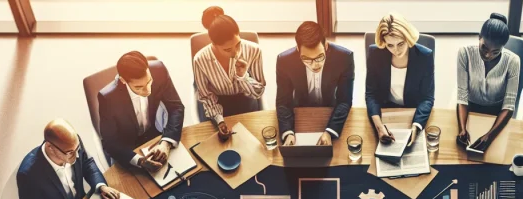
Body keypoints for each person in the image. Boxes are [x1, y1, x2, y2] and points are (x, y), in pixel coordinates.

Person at [16, 119, 123, 199]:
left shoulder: (73, 144)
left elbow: (87, 163)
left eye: (77, 150)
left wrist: (101, 186)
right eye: (70, 153)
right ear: (50, 147)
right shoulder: (28, 176)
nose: (77, 155)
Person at [97, 51, 185, 171]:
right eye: (139, 87)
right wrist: (140, 161)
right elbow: (110, 142)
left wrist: (166, 142)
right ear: (123, 80)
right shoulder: (107, 98)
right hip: (127, 149)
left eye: (149, 82)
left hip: (155, 137)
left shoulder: (159, 70)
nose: (148, 90)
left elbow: (176, 106)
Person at [276, 21, 355, 147]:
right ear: (298, 50)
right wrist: (288, 132)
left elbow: (344, 100)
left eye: (319, 57)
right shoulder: (284, 61)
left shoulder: (344, 57)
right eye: (306, 59)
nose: (314, 65)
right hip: (300, 112)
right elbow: (283, 102)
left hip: (330, 110)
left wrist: (330, 131)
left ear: (326, 46)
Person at [192, 6, 266, 140]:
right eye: (227, 49)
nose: (236, 53)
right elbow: (206, 96)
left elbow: (258, 92)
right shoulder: (200, 59)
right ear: (213, 44)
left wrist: (243, 76)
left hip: (245, 99)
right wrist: (220, 120)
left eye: (238, 44)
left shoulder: (254, 51)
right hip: (217, 102)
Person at [365, 13, 435, 149]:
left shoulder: (425, 57)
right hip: (385, 112)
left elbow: (427, 98)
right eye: (390, 45)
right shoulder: (375, 54)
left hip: (412, 112)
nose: (396, 50)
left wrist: (416, 127)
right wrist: (379, 128)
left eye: (400, 44)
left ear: (408, 38)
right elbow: (371, 94)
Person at [455, 13, 520, 152]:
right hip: (469, 109)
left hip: (497, 114)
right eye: (484, 47)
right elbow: (462, 96)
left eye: (495, 52)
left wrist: (489, 136)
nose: (488, 55)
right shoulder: (465, 53)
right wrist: (462, 129)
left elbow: (509, 105)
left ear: (503, 47)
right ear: (479, 37)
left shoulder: (513, 61)